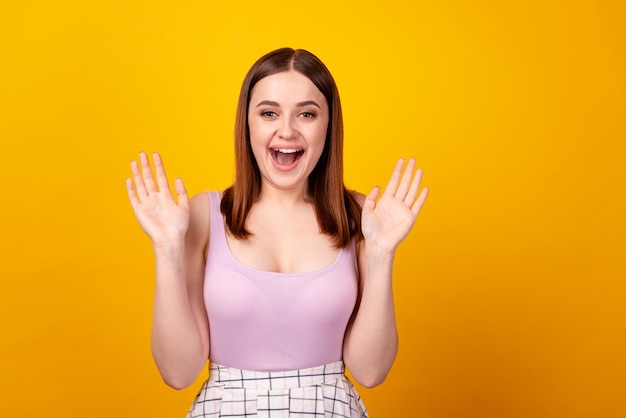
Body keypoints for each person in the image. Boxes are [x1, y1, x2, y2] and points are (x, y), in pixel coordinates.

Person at [126, 47, 428, 418]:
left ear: (328, 126)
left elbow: (370, 371)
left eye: (307, 113)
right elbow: (178, 372)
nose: (287, 130)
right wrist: (166, 249)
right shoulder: (202, 216)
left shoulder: (364, 217)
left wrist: (381, 254)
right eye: (269, 113)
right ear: (247, 123)